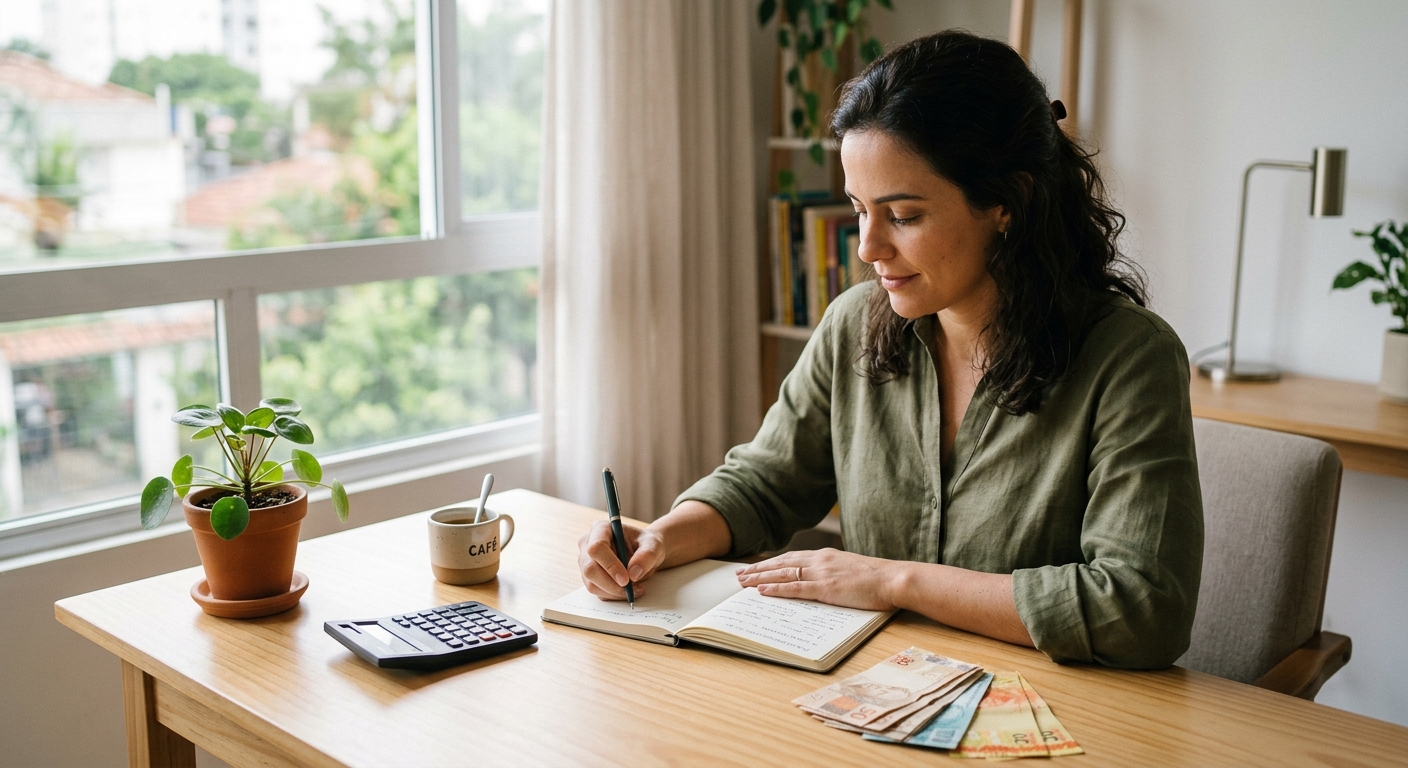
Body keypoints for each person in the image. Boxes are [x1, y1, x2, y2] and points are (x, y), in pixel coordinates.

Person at [577, 30, 1203, 669]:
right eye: (858, 209)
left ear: (1006, 203)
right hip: (867, 693)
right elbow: (765, 483)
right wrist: (659, 538)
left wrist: (892, 580)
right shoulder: (853, 325)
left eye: (902, 215)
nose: (866, 248)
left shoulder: (1129, 359)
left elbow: (1142, 606)